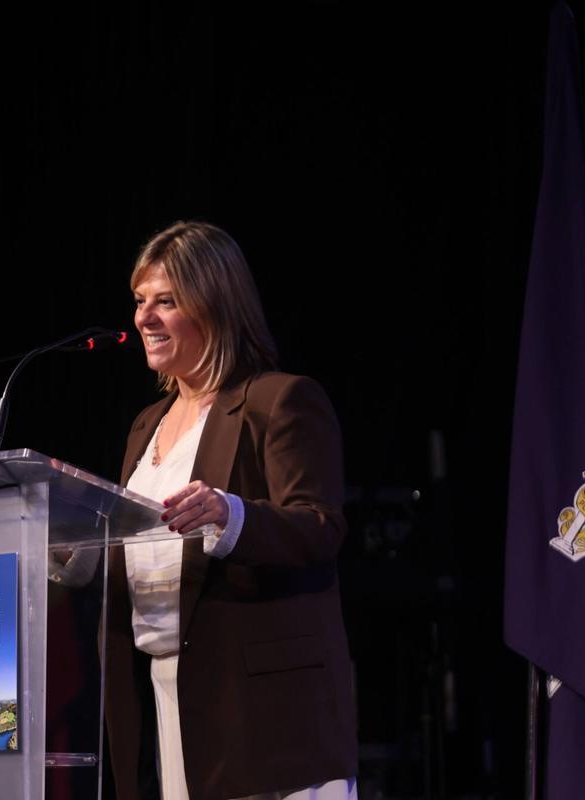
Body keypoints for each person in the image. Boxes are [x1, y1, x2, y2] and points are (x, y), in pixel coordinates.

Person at [103, 221, 358, 800]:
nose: (144, 318)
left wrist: (232, 514)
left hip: (263, 715)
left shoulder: (278, 400)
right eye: (140, 302)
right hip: (166, 694)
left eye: (165, 302)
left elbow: (321, 527)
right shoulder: (147, 424)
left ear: (214, 306)